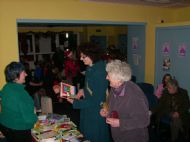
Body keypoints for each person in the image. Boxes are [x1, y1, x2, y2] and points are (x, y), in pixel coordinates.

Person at [66, 42, 110, 142]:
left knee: (94, 136)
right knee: (86, 135)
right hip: (88, 108)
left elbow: (97, 99)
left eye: (83, 56)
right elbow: (90, 86)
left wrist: (74, 102)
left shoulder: (100, 71)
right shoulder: (91, 66)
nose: (81, 59)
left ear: (92, 55)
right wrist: (82, 90)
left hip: (95, 111)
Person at [100, 60, 150, 142]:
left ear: (119, 80)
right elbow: (111, 105)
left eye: (109, 75)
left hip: (134, 137)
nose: (106, 77)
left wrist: (120, 123)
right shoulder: (115, 88)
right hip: (119, 136)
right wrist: (106, 111)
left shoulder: (134, 95)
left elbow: (144, 120)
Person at [0, 61, 38, 142]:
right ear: (16, 77)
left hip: (4, 125)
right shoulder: (22, 94)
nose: (26, 74)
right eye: (24, 73)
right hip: (19, 130)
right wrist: (35, 115)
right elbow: (29, 119)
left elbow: (2, 95)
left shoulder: (6, 87)